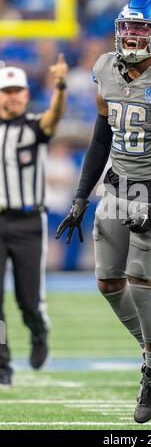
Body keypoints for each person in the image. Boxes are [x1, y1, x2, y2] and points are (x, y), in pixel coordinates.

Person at [56, 0, 151, 423]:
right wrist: (81, 196)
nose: (134, 37)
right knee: (107, 285)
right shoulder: (105, 69)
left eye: (143, 29)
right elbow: (101, 138)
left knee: (140, 284)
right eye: (129, 28)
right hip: (115, 190)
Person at [0, 54, 68, 385]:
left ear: (26, 94)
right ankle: (2, 365)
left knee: (28, 300)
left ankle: (38, 332)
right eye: (5, 90)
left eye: (17, 91)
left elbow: (54, 117)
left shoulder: (33, 127)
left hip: (27, 224)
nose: (12, 96)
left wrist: (60, 85)